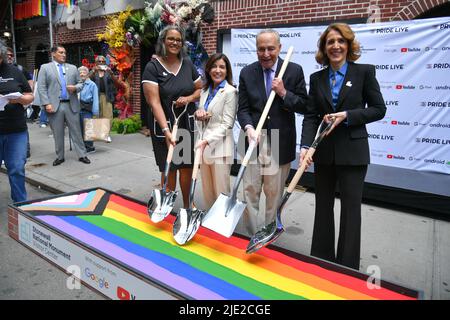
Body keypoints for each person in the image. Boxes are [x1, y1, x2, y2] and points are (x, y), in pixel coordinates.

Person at [300, 23, 386, 270]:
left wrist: (347, 115)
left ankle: (347, 268)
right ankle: (321, 261)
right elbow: (311, 116)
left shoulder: (364, 72)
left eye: (341, 41)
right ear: (324, 49)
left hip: (354, 153)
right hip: (324, 152)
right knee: (323, 208)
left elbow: (379, 109)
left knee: (351, 212)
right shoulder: (316, 79)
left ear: (348, 45)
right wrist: (306, 145)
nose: (335, 46)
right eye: (330, 42)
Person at [237, 29, 307, 236]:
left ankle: (267, 235)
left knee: (274, 193)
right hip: (252, 139)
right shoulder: (247, 73)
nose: (266, 54)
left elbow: (305, 105)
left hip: (279, 140)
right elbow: (243, 109)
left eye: (270, 48)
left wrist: (284, 93)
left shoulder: (293, 70)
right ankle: (250, 235)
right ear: (256, 49)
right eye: (261, 49)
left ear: (279, 48)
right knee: (250, 190)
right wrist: (248, 127)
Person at [142, 25, 202, 208]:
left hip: (185, 124)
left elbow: (200, 88)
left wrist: (189, 98)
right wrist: (166, 130)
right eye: (171, 39)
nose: (175, 42)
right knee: (169, 167)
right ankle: (165, 207)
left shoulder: (187, 64)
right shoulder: (152, 67)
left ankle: (187, 205)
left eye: (178, 39)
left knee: (186, 167)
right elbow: (154, 102)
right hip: (164, 125)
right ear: (163, 41)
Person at [195, 53, 237, 208]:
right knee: (207, 189)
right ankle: (209, 222)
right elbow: (201, 116)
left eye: (222, 67)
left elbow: (227, 124)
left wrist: (206, 140)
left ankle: (221, 224)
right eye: (214, 66)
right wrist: (198, 115)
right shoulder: (204, 91)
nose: (217, 70)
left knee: (221, 191)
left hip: (220, 149)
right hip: (204, 147)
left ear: (227, 71)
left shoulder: (230, 91)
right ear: (208, 69)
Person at [37, 45, 90, 166]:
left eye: (65, 53)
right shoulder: (45, 68)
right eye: (61, 52)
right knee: (58, 133)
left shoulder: (72, 68)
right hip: (55, 106)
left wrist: (75, 88)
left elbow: (81, 83)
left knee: (76, 131)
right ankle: (60, 156)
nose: (64, 55)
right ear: (53, 54)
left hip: (71, 105)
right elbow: (41, 87)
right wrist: (46, 103)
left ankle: (82, 155)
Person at [0, 40, 34, 202]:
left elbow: (30, 96)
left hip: (16, 130)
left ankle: (20, 205)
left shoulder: (15, 71)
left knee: (17, 169)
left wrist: (18, 99)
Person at [6, 47, 33, 158]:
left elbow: (30, 80)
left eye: (11, 55)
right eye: (7, 55)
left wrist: (27, 93)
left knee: (22, 126)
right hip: (3, 106)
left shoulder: (20, 69)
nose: (9, 57)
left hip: (19, 103)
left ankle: (25, 151)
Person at [89, 55, 119, 142]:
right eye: (99, 62)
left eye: (103, 62)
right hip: (95, 97)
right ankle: (97, 134)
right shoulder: (94, 73)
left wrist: (111, 73)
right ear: (96, 63)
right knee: (96, 115)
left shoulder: (108, 72)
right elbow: (86, 80)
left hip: (107, 96)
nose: (101, 63)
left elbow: (116, 82)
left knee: (108, 116)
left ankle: (106, 135)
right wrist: (93, 71)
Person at [78, 66, 99, 153]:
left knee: (88, 128)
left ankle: (89, 146)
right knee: (79, 128)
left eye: (84, 72)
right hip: (78, 108)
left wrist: (95, 111)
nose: (82, 74)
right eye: (80, 73)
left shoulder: (92, 85)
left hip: (87, 108)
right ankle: (82, 145)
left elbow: (95, 99)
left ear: (87, 74)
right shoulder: (77, 84)